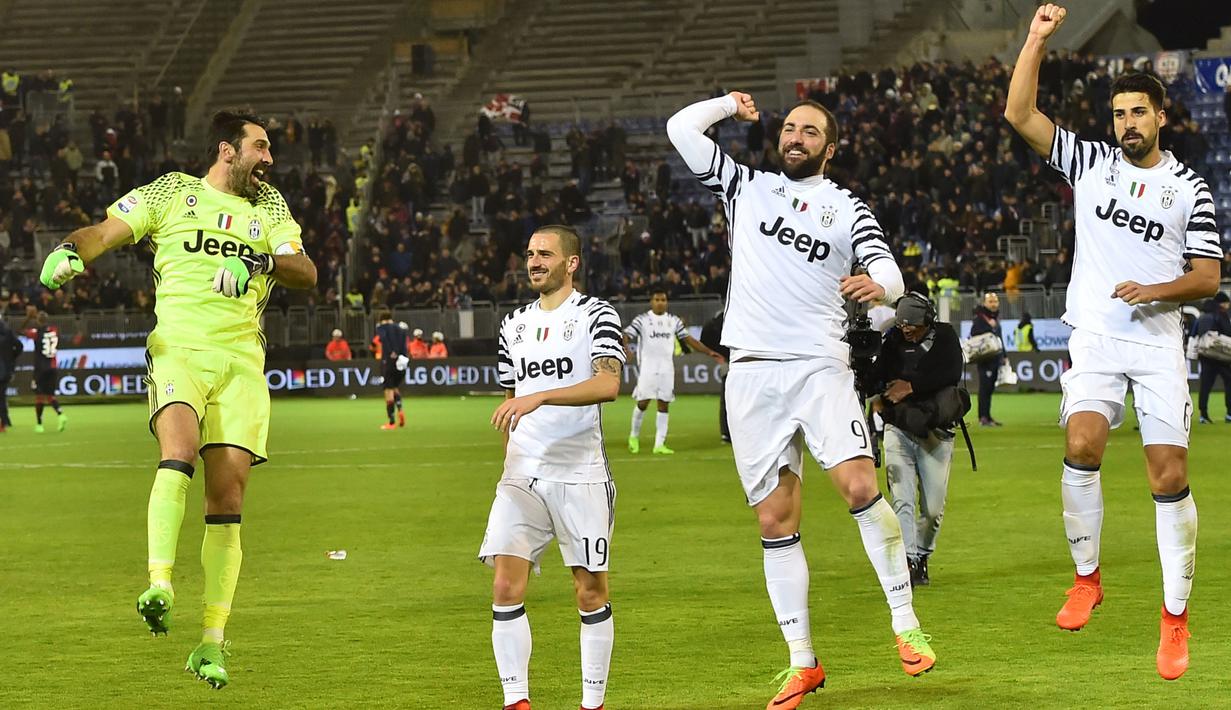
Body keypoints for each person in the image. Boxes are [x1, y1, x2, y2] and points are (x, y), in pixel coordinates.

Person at [668, 89, 933, 709]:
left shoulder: (846, 208)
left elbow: (889, 272)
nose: (795, 137)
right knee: (774, 521)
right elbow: (682, 130)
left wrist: (881, 286)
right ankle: (802, 662)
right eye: (790, 128)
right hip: (751, 373)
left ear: (829, 149)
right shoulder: (746, 187)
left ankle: (905, 623)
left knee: (860, 487)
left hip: (818, 365)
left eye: (810, 132)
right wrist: (729, 106)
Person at [38, 110, 316, 688]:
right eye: (259, 148)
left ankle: (212, 641)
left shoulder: (270, 206)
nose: (269, 159)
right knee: (180, 448)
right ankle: (159, 582)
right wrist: (70, 251)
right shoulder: (172, 191)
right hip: (179, 349)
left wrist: (259, 261)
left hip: (241, 360)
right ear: (226, 150)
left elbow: (305, 271)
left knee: (229, 491)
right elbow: (105, 231)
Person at [1005, 4, 1222, 680]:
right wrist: (1036, 39)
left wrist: (1151, 292)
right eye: (1118, 114)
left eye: (1137, 113)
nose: (1125, 123)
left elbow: (1208, 279)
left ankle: (1174, 620)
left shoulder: (1189, 189)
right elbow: (1019, 115)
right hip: (1096, 334)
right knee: (1081, 443)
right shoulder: (1090, 162)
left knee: (1169, 475)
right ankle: (1086, 578)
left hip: (1156, 340)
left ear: (1160, 117)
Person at [479, 225, 625, 710]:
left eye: (545, 254)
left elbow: (607, 384)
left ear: (572, 263)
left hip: (579, 472)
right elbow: (510, 399)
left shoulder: (596, 315)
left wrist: (539, 396)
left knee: (589, 591)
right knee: (504, 585)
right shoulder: (512, 324)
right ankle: (516, 702)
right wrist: (509, 455)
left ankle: (592, 703)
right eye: (529, 254)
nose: (534, 261)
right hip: (522, 473)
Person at [870, 293, 964, 588]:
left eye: (913, 324)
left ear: (928, 320)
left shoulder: (946, 337)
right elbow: (876, 377)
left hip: (936, 432)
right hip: (899, 429)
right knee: (903, 502)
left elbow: (950, 372)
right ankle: (909, 561)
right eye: (902, 324)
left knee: (933, 509)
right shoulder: (893, 340)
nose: (906, 329)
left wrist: (910, 386)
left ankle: (922, 553)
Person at [624, 287, 724, 454]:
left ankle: (659, 444)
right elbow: (626, 334)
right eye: (657, 299)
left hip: (666, 369)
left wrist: (708, 351)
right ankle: (633, 437)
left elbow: (689, 339)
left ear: (666, 302)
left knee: (664, 404)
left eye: (663, 300)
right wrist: (626, 348)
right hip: (648, 368)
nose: (660, 303)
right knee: (643, 402)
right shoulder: (642, 320)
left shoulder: (673, 321)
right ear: (652, 301)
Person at [22, 310, 67, 433]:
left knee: (39, 397)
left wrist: (27, 318)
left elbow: (20, 331)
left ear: (37, 320)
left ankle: (39, 425)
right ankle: (60, 414)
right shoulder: (54, 330)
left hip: (41, 369)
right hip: (53, 367)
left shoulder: (36, 333)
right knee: (50, 396)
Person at [1193, 292, 1230, 423]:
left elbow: (1194, 334)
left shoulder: (1202, 317)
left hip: (1205, 356)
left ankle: (1203, 415)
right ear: (1222, 303)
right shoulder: (1221, 315)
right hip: (1222, 356)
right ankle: (1229, 414)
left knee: (1205, 386)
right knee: (1229, 383)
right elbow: (1228, 332)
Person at [371, 310, 409, 430]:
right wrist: (400, 353)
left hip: (389, 361)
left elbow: (384, 340)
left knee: (388, 390)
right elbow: (404, 344)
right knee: (395, 387)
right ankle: (400, 410)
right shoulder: (401, 329)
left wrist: (391, 352)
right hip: (402, 362)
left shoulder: (382, 328)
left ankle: (391, 421)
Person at [970, 292, 1004, 426]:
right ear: (984, 303)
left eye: (995, 301)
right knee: (984, 389)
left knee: (989, 389)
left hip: (995, 358)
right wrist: (988, 330)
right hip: (985, 359)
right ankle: (982, 417)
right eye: (990, 301)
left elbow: (999, 339)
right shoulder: (980, 318)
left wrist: (1004, 356)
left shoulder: (994, 318)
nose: (993, 304)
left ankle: (987, 417)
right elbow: (974, 335)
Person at [698, 309, 731, 442]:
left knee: (727, 399)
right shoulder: (725, 316)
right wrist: (717, 353)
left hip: (733, 360)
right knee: (729, 399)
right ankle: (728, 432)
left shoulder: (721, 315)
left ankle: (727, 433)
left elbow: (705, 334)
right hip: (734, 360)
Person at [0, 315, 21, 432]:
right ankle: (5, 420)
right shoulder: (8, 332)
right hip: (6, 370)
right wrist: (11, 358)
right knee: (2, 397)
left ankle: (4, 421)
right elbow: (19, 346)